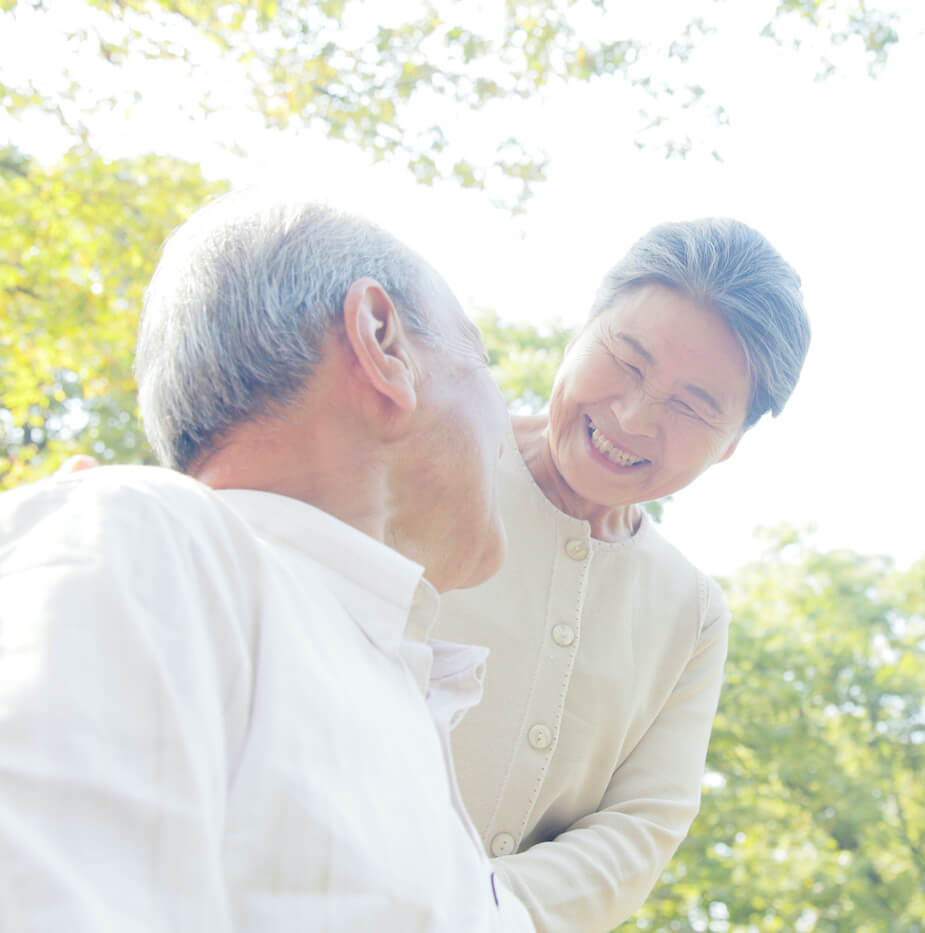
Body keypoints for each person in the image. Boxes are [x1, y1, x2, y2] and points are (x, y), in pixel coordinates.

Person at [0, 192, 533, 930]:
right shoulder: (152, 541)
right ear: (383, 341)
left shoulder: (399, 692)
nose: (509, 419)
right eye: (482, 355)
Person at [438, 218, 811, 930]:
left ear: (730, 444)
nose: (635, 416)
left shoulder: (692, 613)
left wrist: (460, 907)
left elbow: (639, 830)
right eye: (627, 360)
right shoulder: (427, 455)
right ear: (583, 330)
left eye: (692, 406)